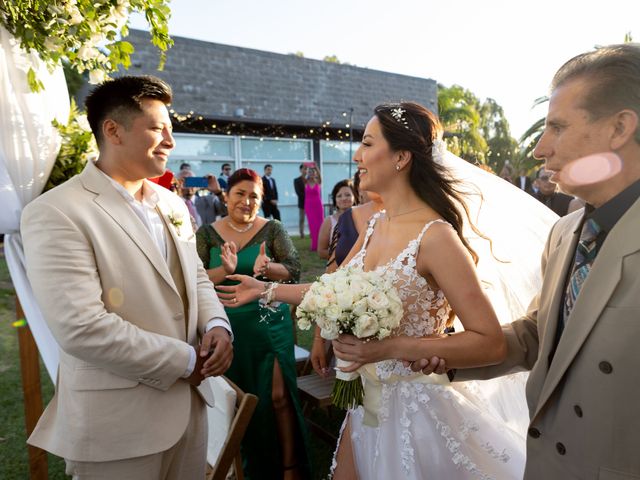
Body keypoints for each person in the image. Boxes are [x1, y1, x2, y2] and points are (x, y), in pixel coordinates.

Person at [217, 102, 558, 479]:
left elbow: (490, 342)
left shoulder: (436, 237)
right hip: (366, 404)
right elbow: (331, 289)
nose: (358, 157)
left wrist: (387, 348)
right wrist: (265, 290)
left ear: (400, 157)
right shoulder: (376, 224)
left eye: (366, 143)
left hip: (420, 409)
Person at [413, 44, 640, 479]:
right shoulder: (564, 233)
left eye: (557, 127)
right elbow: (544, 333)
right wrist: (447, 354)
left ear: (619, 128)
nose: (540, 149)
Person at [21, 75, 233, 479]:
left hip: (189, 412)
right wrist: (187, 360)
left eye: (170, 130)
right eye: (157, 129)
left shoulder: (170, 203)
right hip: (116, 427)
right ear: (113, 130)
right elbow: (81, 327)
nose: (171, 142)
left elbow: (196, 278)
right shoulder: (57, 211)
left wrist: (218, 325)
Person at [196, 168, 310, 479]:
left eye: (254, 196)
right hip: (227, 328)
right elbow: (193, 281)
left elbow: (294, 270)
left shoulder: (271, 229)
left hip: (268, 323)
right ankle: (243, 468)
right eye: (240, 194)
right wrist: (225, 270)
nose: (247, 202)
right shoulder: (207, 234)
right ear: (226, 196)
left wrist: (269, 267)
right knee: (236, 403)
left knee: (278, 397)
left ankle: (289, 469)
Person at [317, 179, 357, 260]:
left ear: (355, 196)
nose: (343, 198)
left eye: (348, 195)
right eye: (339, 196)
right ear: (335, 199)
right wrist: (343, 256)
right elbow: (321, 251)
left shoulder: (362, 217)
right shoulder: (329, 221)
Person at [303, 164, 324, 251]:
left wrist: (316, 167)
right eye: (310, 172)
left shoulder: (318, 182)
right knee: (312, 225)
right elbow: (303, 175)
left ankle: (322, 244)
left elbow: (320, 176)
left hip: (318, 205)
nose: (312, 174)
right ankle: (314, 245)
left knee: (320, 224)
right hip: (309, 206)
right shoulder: (305, 182)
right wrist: (305, 166)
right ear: (308, 173)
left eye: (313, 172)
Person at [293, 163, 307, 238]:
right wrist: (308, 198)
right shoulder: (296, 180)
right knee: (302, 219)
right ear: (300, 170)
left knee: (311, 219)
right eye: (304, 169)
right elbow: (298, 192)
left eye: (306, 169)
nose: (305, 170)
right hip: (302, 203)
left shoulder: (310, 180)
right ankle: (302, 233)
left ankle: (313, 233)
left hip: (311, 203)